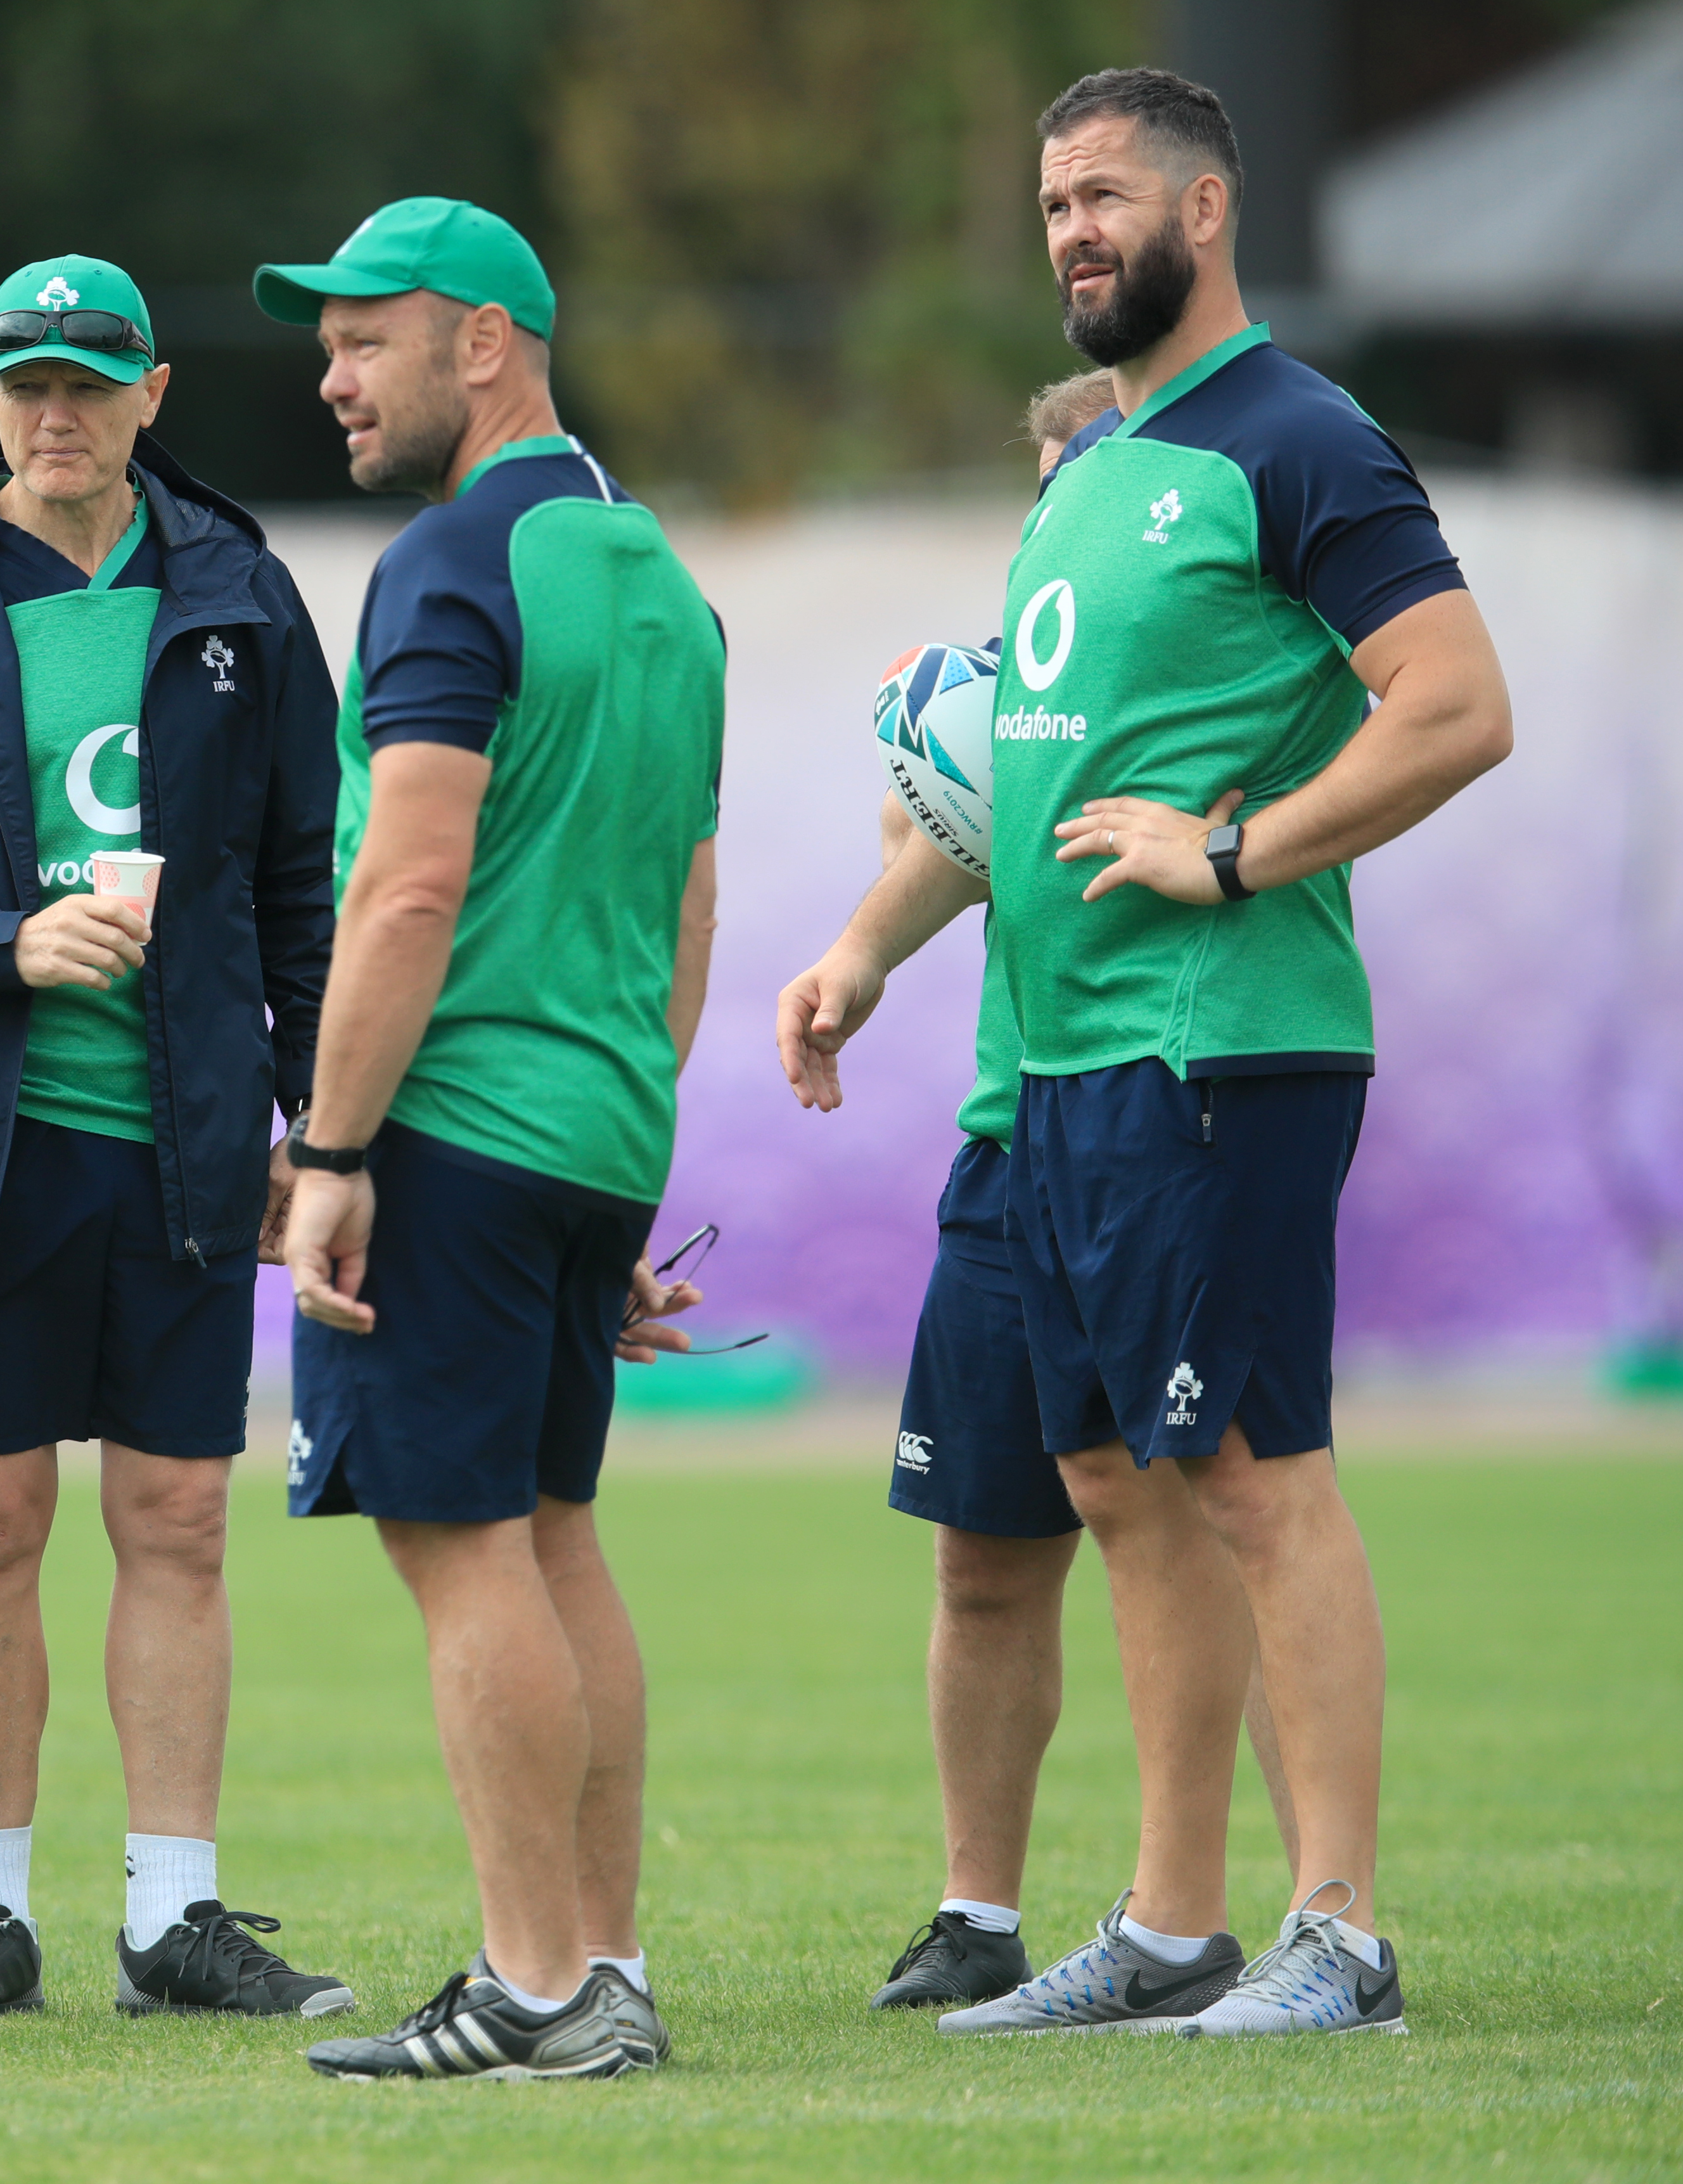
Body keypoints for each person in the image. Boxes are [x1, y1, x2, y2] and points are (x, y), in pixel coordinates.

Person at [781, 72, 1511, 2038]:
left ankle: (1336, 1933)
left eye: (1104, 195)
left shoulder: (1294, 437)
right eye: (1047, 206)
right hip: (1060, 1068)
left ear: (1205, 202)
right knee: (1112, 1479)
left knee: (1261, 1480)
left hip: (1218, 1046)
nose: (1072, 232)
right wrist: (867, 948)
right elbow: (1019, 795)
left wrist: (1235, 849)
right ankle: (1174, 1925)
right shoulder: (1087, 476)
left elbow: (1452, 706)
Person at [0, 255, 353, 2024]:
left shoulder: (244, 600)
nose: (56, 410)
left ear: (151, 392)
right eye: (25, 380)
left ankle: (173, 1918)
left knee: (177, 1518)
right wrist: (0, 943)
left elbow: (302, 894)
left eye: (90, 380)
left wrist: (318, 1133)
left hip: (177, 1145)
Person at [260, 198, 725, 2082]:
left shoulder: (457, 560)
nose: (330, 376)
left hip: (447, 1126)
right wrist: (631, 1167)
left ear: (483, 343)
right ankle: (597, 1968)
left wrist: (332, 1149)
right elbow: (690, 900)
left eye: (363, 339)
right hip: (598, 1124)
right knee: (553, 1538)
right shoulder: (664, 577)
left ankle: (532, 1989)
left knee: (463, 1555)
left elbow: (406, 885)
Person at [852, 370, 1298, 2016]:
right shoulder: (1026, 675)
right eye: (1047, 490)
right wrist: (853, 954)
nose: (1064, 519)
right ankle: (977, 1911)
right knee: (980, 1544)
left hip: (1160, 1102)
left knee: (1203, 1505)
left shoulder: (1225, 643)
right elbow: (964, 835)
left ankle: (1226, 1913)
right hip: (1006, 1131)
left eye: (1088, 483)